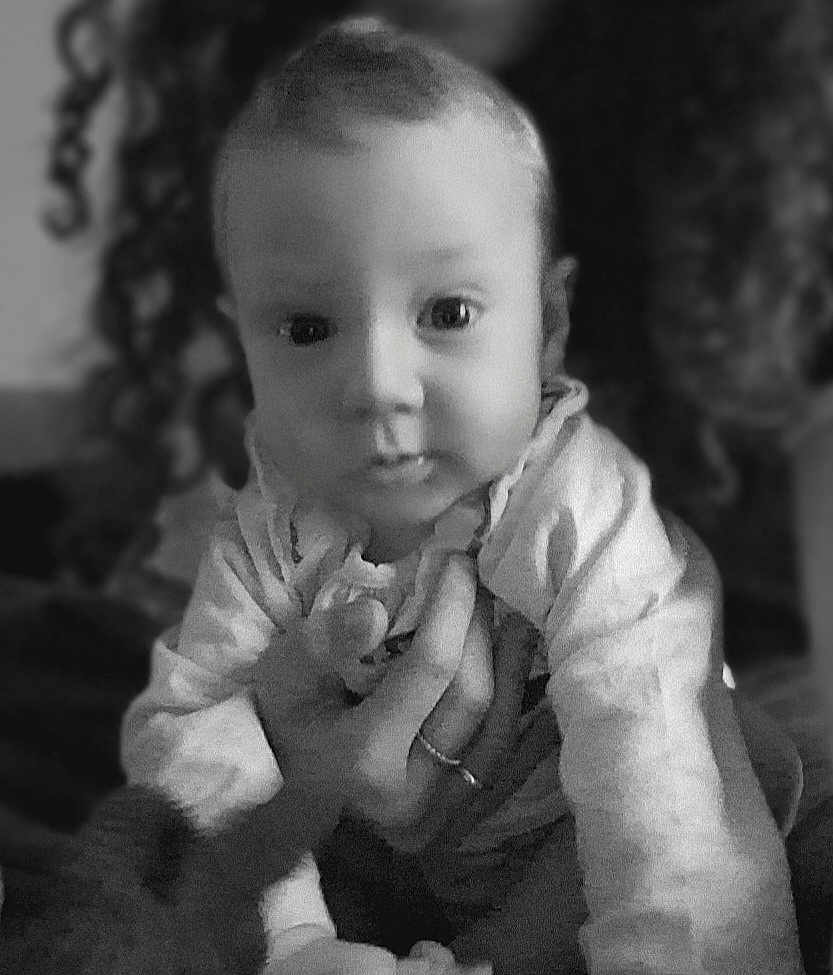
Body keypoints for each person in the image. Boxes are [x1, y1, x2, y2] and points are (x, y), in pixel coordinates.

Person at [120, 18, 805, 975]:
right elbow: (191, 725)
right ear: (244, 341)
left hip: (571, 848)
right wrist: (293, 940)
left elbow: (650, 760)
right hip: (386, 848)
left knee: (725, 762)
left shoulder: (578, 505)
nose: (379, 382)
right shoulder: (269, 525)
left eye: (446, 313)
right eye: (308, 326)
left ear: (549, 322)